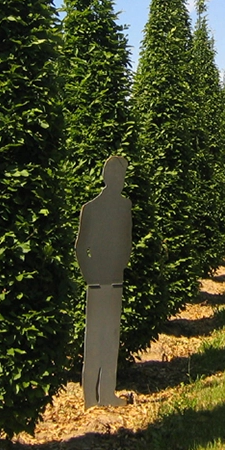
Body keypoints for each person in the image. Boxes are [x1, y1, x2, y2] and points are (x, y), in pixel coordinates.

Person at [75, 155, 132, 407]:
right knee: (96, 337)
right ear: (107, 177)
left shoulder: (123, 206)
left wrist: (117, 265)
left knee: (109, 336)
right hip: (99, 282)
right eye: (116, 176)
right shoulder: (92, 208)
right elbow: (80, 246)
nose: (119, 181)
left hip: (112, 280)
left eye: (122, 177)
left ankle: (106, 393)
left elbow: (126, 242)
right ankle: (91, 397)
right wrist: (91, 274)